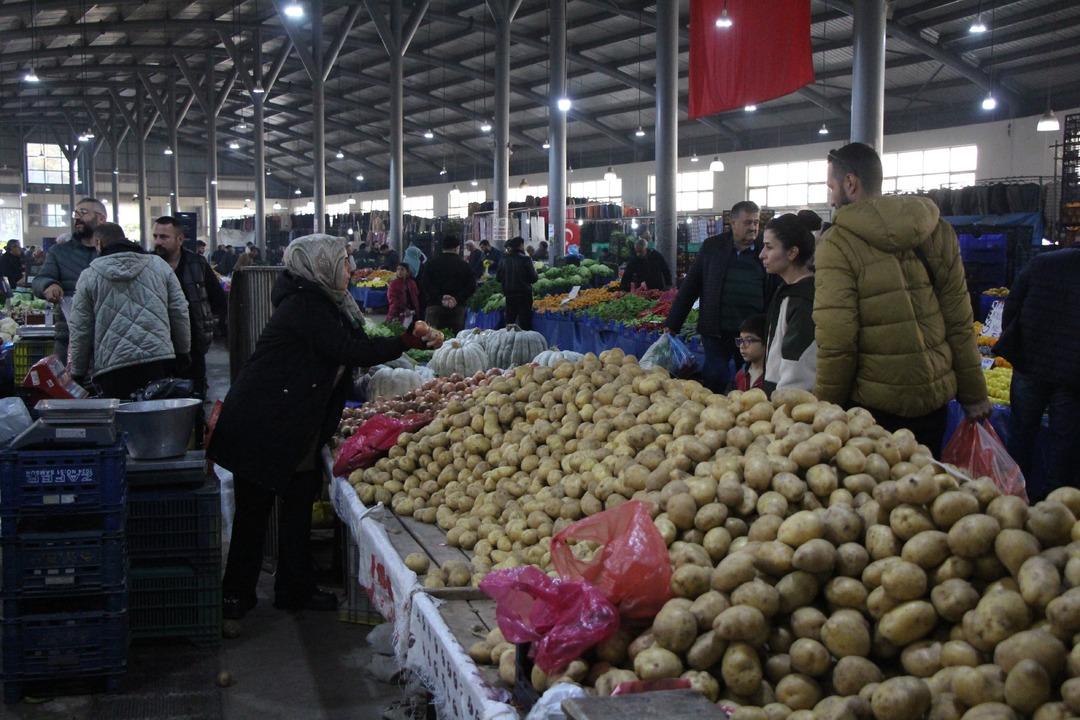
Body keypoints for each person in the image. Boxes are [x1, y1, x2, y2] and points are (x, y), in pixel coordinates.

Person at [209, 234, 441, 618]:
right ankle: (234, 598)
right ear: (320, 265)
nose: (349, 268)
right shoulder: (306, 305)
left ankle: (293, 588)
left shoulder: (329, 302)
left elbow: (358, 339)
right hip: (263, 422)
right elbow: (353, 350)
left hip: (293, 422)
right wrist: (403, 341)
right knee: (254, 514)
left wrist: (406, 333)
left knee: (298, 504)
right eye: (343, 261)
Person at [814, 142, 989, 456]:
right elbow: (960, 320)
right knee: (924, 493)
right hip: (934, 400)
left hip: (872, 408)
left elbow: (838, 339)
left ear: (850, 183)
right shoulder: (937, 230)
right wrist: (974, 394)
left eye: (831, 186)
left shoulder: (837, 243)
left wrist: (826, 410)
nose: (829, 196)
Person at [67, 223, 190, 400]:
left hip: (112, 367)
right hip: (158, 360)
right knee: (156, 419)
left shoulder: (89, 275)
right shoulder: (159, 266)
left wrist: (78, 371)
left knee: (121, 421)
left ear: (99, 244)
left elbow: (80, 327)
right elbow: (179, 311)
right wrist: (183, 351)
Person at [993, 247, 1080, 491]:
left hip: (1030, 364)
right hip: (1072, 375)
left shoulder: (1041, 262)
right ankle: (1053, 506)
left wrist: (1017, 343)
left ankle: (1013, 495)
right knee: (1062, 444)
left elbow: (1011, 305)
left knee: (1021, 433)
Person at [666, 200, 773, 393]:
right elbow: (690, 287)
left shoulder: (764, 251)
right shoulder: (712, 248)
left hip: (752, 334)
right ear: (732, 223)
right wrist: (673, 324)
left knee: (751, 381)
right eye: (748, 222)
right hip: (716, 331)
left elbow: (773, 290)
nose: (753, 227)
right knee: (714, 377)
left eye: (756, 222)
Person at [152, 216, 228, 397]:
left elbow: (217, 299)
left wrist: (210, 325)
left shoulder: (197, 264)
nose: (157, 242)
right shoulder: (148, 264)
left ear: (180, 239)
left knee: (195, 394)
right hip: (159, 343)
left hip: (194, 342)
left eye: (164, 237)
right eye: (155, 236)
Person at [32, 198, 107, 359]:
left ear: (101, 218)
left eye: (84, 212)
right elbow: (39, 279)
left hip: (107, 337)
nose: (77, 217)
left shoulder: (112, 251)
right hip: (67, 338)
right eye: (75, 213)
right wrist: (48, 285)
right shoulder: (59, 252)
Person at [759, 214, 817, 394]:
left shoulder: (803, 301)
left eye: (769, 247)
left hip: (791, 401)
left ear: (792, 252)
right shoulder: (786, 291)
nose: (762, 255)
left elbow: (798, 368)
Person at [420, 235, 475, 333]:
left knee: (431, 340)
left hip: (434, 306)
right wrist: (456, 299)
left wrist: (440, 298)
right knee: (454, 343)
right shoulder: (464, 265)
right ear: (457, 248)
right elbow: (471, 286)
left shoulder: (431, 263)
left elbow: (425, 284)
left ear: (443, 247)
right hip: (457, 309)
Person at [497, 236, 538, 330]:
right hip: (524, 295)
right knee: (525, 322)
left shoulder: (504, 259)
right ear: (521, 245)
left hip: (509, 295)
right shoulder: (526, 259)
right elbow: (533, 278)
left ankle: (509, 342)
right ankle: (524, 343)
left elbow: (498, 278)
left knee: (510, 322)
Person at [733, 314, 767, 392]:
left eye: (748, 340)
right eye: (740, 340)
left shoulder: (773, 378)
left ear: (766, 342)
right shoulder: (740, 375)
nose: (742, 346)